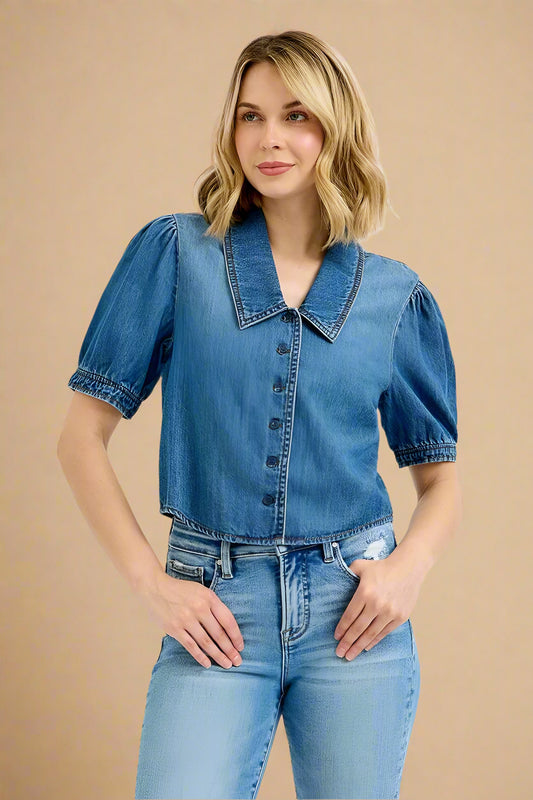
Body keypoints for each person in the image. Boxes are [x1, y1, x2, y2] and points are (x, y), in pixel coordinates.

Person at [57, 30, 462, 800]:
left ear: (333, 129)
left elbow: (440, 483)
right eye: (250, 116)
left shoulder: (394, 296)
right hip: (216, 606)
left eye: (295, 115)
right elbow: (80, 439)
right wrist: (151, 582)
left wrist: (405, 572)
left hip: (354, 620)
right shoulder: (176, 254)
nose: (268, 138)